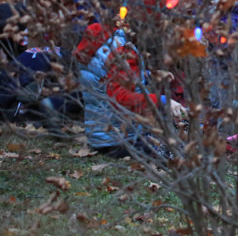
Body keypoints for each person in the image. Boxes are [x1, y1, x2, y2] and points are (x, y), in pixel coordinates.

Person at [74, 21, 186, 156]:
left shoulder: (98, 51)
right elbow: (120, 97)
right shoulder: (122, 52)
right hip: (121, 139)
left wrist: (151, 75)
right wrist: (162, 100)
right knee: (175, 151)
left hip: (99, 137)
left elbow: (109, 78)